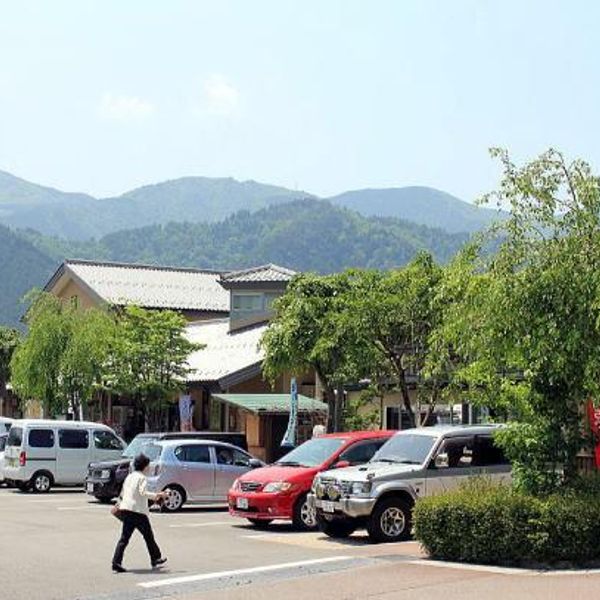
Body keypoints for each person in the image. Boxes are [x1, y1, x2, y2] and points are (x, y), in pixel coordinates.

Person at [111, 453, 168, 573]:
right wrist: (158, 495)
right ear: (144, 466)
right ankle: (155, 558)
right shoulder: (142, 478)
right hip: (138, 512)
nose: (149, 468)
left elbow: (123, 492)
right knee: (148, 536)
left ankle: (116, 562)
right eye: (148, 465)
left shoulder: (130, 476)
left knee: (124, 538)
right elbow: (143, 492)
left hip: (127, 510)